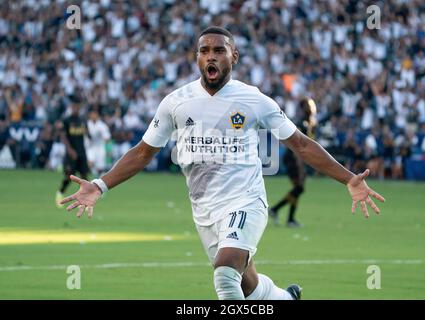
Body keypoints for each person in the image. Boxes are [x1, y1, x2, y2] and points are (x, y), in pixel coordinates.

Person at [59, 27, 385, 300]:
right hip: (204, 208)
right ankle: (284, 298)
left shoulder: (255, 100)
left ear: (233, 57)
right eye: (204, 50)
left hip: (246, 200)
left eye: (219, 50)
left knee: (226, 275)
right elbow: (143, 152)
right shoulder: (176, 102)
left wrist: (349, 179)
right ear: (197, 57)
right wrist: (101, 185)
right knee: (247, 283)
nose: (211, 56)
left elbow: (299, 143)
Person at [269, 97, 317, 228]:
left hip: (297, 159)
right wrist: (300, 165)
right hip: (293, 159)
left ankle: (288, 217)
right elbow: (298, 147)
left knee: (298, 189)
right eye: (309, 106)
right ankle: (277, 210)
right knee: (299, 188)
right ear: (303, 108)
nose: (312, 108)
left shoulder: (310, 123)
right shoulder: (302, 124)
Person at [55, 96, 90, 208]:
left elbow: (87, 134)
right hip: (71, 154)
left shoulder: (82, 120)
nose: (76, 108)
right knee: (69, 177)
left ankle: (86, 201)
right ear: (71, 107)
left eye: (78, 107)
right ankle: (60, 193)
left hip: (82, 152)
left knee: (85, 178)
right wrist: (70, 150)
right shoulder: (66, 120)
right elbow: (63, 137)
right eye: (74, 106)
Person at [86, 109, 111, 177]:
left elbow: (107, 138)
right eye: (92, 114)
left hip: (99, 147)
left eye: (95, 114)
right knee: (90, 163)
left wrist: (108, 149)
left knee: (100, 168)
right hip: (90, 147)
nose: (93, 116)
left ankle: (99, 177)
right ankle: (97, 176)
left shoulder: (102, 125)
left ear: (98, 116)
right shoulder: (87, 124)